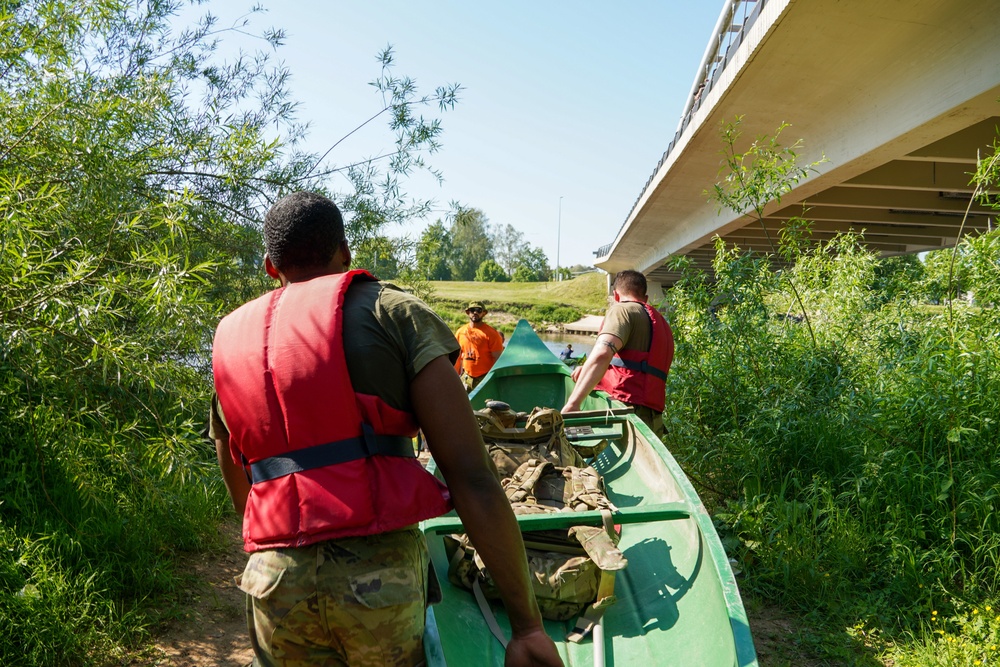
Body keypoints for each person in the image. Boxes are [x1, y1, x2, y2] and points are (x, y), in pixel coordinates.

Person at [210, 192, 562, 667]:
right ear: (345, 253)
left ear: (270, 267)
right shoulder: (393, 312)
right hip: (378, 582)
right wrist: (527, 626)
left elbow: (242, 488)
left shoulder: (234, 337)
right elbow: (471, 477)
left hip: (274, 582)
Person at [560, 270, 674, 436]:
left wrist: (573, 404)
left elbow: (603, 354)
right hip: (652, 418)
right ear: (646, 298)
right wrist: (586, 368)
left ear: (616, 296)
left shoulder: (622, 310)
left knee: (570, 434)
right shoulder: (662, 323)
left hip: (624, 410)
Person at [454, 301, 504, 391]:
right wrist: (454, 376)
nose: (475, 313)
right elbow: (456, 356)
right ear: (468, 312)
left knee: (484, 404)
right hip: (466, 377)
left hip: (485, 378)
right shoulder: (460, 332)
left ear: (484, 313)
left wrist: (494, 379)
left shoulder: (492, 334)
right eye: (472, 310)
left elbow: (498, 359)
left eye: (478, 310)